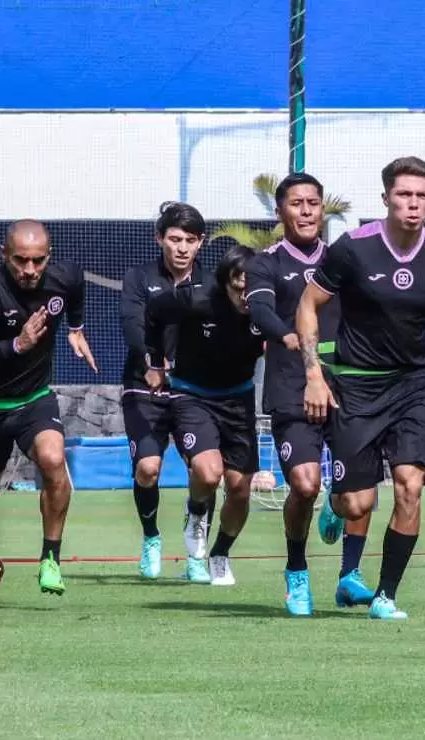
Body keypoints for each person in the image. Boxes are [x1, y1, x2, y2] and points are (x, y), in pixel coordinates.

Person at [298, 156, 425, 620]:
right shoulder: (352, 249)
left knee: (410, 486)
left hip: (410, 388)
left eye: (421, 195)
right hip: (357, 388)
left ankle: (386, 595)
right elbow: (309, 305)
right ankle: (338, 498)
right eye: (404, 195)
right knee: (357, 502)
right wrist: (313, 374)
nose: (413, 204)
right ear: (385, 197)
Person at [244, 172, 374, 616]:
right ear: (280, 211)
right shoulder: (266, 263)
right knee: (304, 484)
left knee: (356, 495)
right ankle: (296, 573)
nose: (305, 210)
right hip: (291, 387)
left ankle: (349, 576)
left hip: (348, 386)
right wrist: (286, 336)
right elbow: (259, 308)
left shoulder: (344, 259)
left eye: (313, 203)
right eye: (296, 203)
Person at [0, 220, 95, 604]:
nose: (30, 270)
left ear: (48, 256)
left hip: (34, 398)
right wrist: (17, 344)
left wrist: (75, 328)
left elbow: (77, 283)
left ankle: (50, 558)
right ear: (4, 255)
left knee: (53, 460)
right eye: (21, 261)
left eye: (38, 261)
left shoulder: (61, 278)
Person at [145, 244, 264, 587]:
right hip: (191, 395)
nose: (245, 297)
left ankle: (221, 554)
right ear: (225, 282)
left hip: (239, 399)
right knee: (209, 474)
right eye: (238, 289)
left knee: (240, 490)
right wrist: (155, 362)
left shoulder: (265, 307)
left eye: (251, 289)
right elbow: (153, 313)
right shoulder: (195, 300)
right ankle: (197, 511)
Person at [119, 202, 204, 579]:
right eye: (174, 239)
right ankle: (151, 538)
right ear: (160, 239)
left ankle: (197, 552)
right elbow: (132, 324)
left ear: (199, 243)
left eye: (189, 240)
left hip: (195, 389)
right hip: (144, 387)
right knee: (148, 469)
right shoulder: (139, 278)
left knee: (204, 471)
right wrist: (153, 361)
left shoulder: (211, 283)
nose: (182, 247)